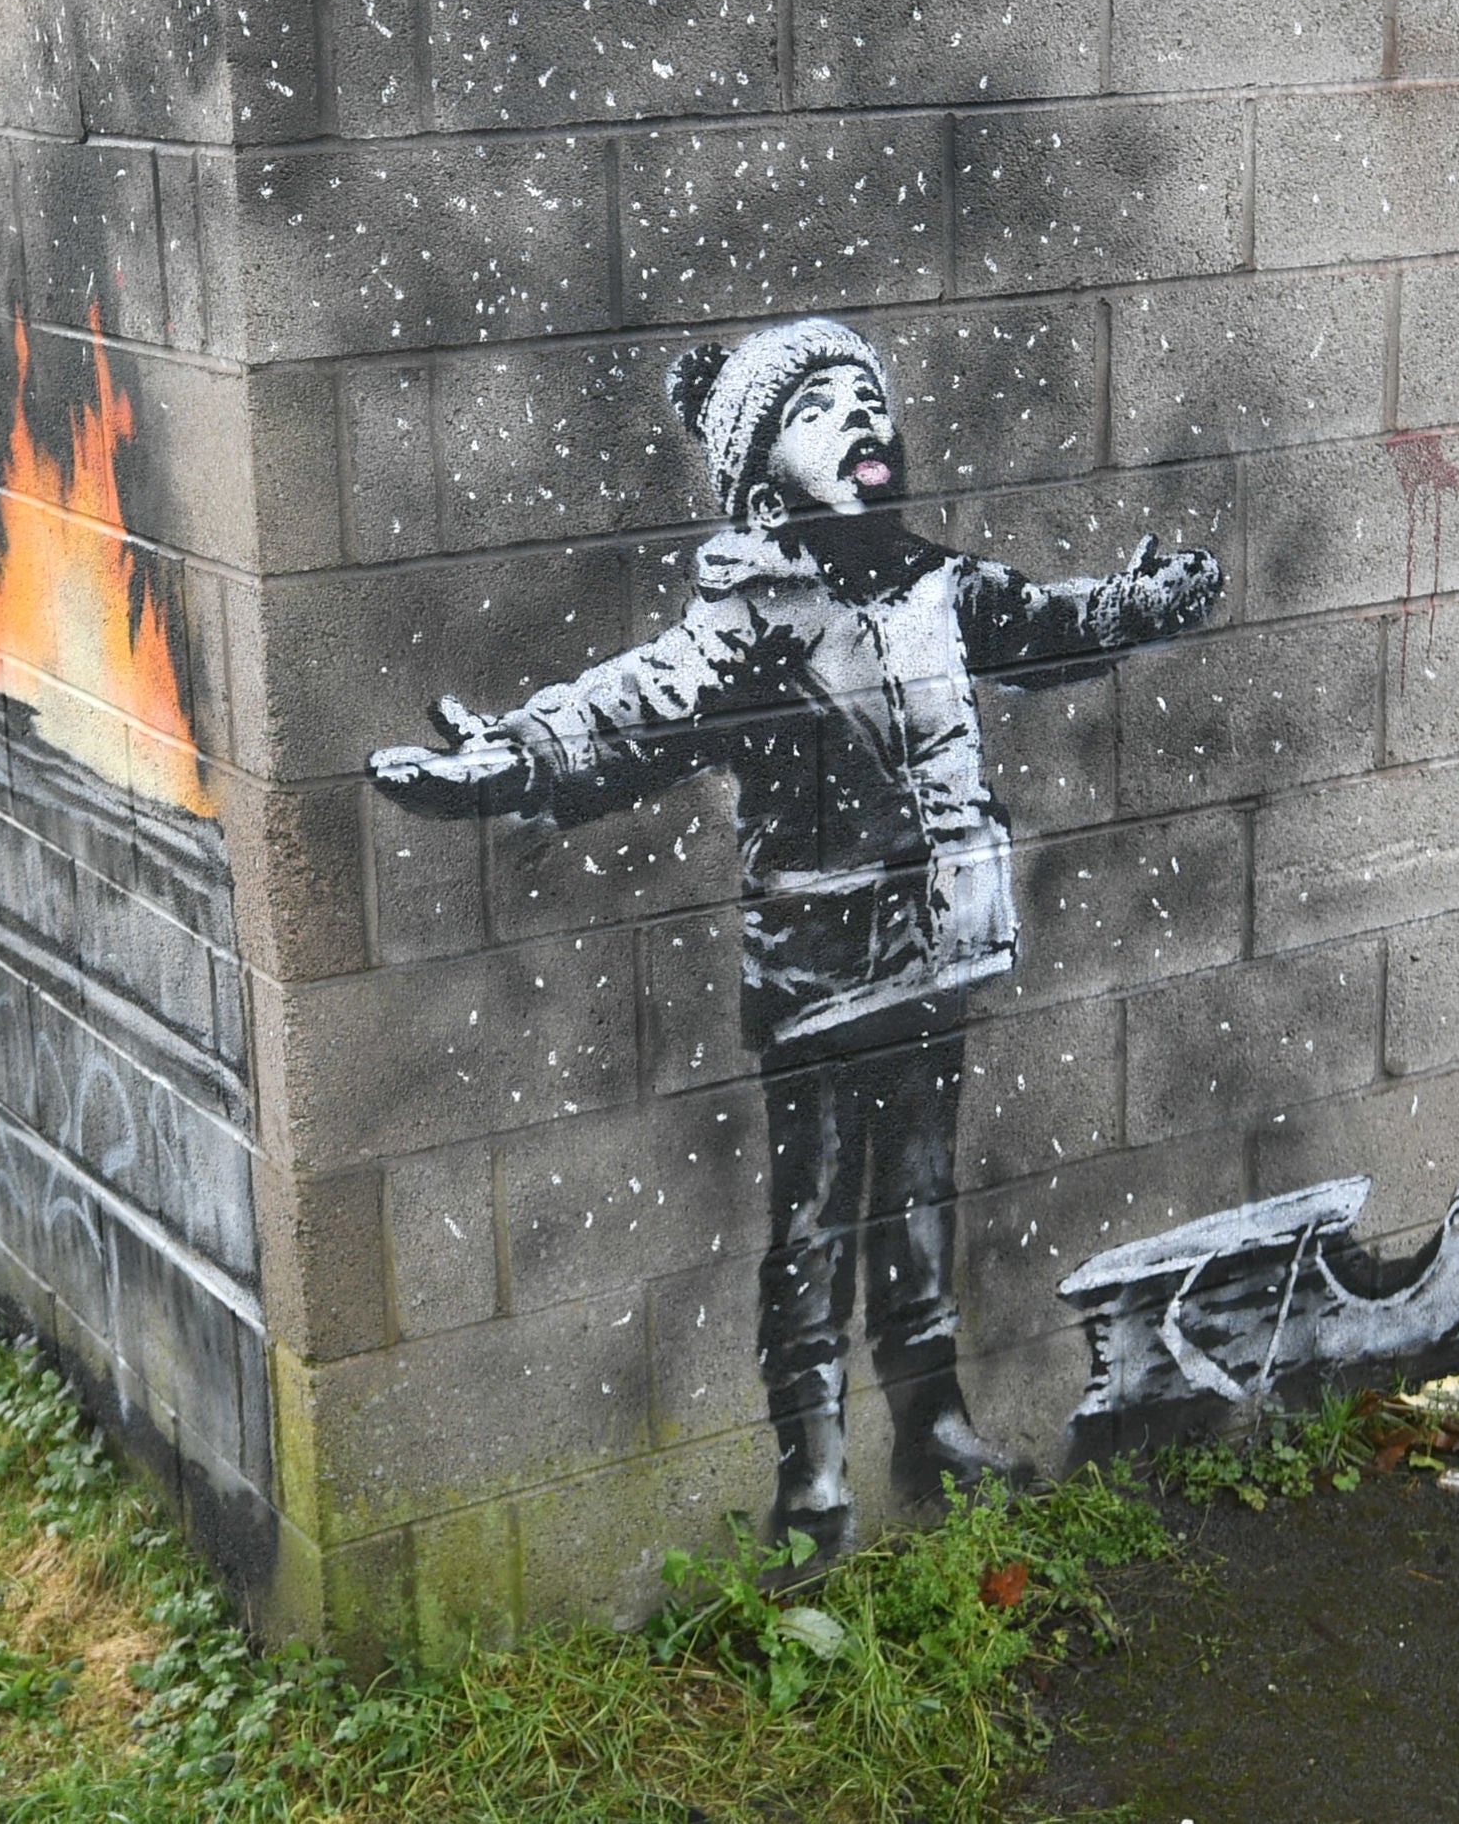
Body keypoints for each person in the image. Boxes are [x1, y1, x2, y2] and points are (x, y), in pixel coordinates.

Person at [368, 315, 1221, 1554]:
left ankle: (928, 1426)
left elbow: (1042, 627)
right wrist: (519, 752)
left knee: (917, 1200)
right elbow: (637, 701)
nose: (861, 419)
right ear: (764, 485)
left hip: (938, 958)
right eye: (819, 409)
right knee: (816, 1222)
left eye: (866, 399)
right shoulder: (752, 620)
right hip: (821, 979)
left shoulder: (940, 584)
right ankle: (812, 1473)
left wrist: (1137, 606)